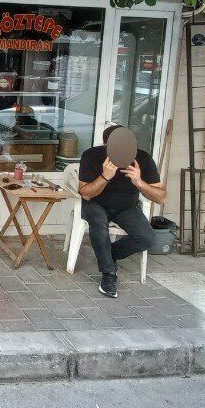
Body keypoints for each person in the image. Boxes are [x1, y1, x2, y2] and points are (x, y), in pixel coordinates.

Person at [77, 125, 167, 298]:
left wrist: (139, 182)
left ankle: (108, 254)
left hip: (127, 207)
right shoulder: (91, 155)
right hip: (96, 203)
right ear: (105, 145)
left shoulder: (143, 159)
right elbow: (86, 194)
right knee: (98, 222)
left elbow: (161, 197)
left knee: (147, 238)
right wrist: (105, 176)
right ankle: (108, 273)